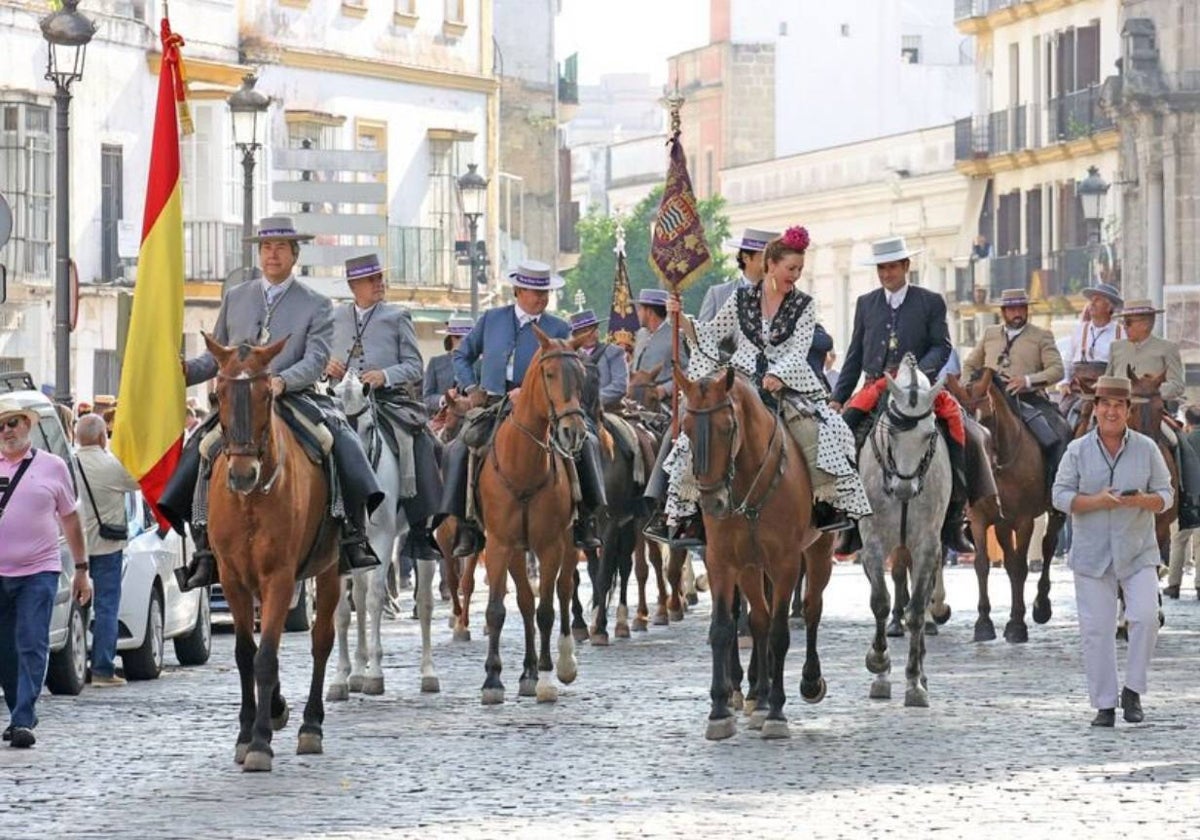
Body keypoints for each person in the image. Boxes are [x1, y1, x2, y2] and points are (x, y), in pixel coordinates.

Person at [160, 216, 383, 591]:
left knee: (337, 441)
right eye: (266, 248)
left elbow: (315, 358)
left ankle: (351, 534)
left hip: (293, 397)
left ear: (294, 255)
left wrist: (283, 380)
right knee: (201, 446)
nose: (272, 254)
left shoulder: (316, 303)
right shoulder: (236, 296)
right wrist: (180, 371)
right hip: (242, 402)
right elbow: (219, 356)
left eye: (281, 247)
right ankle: (202, 545)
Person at [656, 226, 871, 543]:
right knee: (700, 429)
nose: (795, 276)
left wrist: (778, 374)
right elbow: (712, 334)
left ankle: (827, 505)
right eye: (791, 269)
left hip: (785, 386)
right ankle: (685, 512)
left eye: (799, 269)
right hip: (739, 383)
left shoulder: (804, 305)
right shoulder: (741, 298)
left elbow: (799, 351)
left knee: (825, 427)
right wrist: (682, 320)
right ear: (770, 265)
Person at [438, 260, 605, 557]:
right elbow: (462, 356)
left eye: (545, 292)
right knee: (458, 449)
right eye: (533, 291)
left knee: (586, 443)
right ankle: (465, 524)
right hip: (492, 406)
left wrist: (532, 394)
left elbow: (572, 371)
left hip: (543, 412)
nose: (541, 298)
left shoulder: (558, 328)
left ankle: (586, 520)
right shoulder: (491, 319)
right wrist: (473, 388)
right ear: (517, 290)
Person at [834, 235, 974, 554]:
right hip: (875, 389)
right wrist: (839, 396)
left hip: (919, 390)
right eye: (881, 268)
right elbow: (855, 353)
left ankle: (954, 519)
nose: (886, 274)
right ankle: (849, 521)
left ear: (906, 266)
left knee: (966, 433)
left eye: (892, 267)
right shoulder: (866, 303)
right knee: (841, 436)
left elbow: (943, 345)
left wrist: (916, 375)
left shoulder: (930, 301)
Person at [1052, 375, 1172, 727]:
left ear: (1128, 410)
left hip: (1138, 550)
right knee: (1097, 630)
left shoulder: (1147, 448)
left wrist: (1143, 501)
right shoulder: (1077, 450)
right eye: (1105, 404)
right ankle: (1104, 704)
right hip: (1092, 554)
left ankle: (1133, 689)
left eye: (1119, 405)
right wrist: (1095, 502)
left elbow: (1166, 496)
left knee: (1146, 617)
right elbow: (1059, 496)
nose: (1111, 411)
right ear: (1096, 408)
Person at [326, 254, 440, 561]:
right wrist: (327, 367)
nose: (379, 284)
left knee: (419, 441)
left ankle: (419, 525)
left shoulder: (397, 315)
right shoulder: (333, 317)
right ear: (353, 285)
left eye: (380, 278)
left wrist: (385, 375)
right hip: (340, 401)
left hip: (387, 401)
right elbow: (317, 358)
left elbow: (415, 366)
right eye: (371, 279)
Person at [0, 399, 90, 748]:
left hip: (39, 570)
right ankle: (17, 708)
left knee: (32, 641)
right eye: (1, 425)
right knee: (5, 649)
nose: (7, 431)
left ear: (29, 425)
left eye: (14, 423)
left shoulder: (53, 467)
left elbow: (70, 519)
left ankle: (23, 717)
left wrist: (82, 569)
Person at [962, 288, 1071, 493]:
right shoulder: (990, 334)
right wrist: (971, 388)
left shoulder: (1042, 336)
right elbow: (969, 365)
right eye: (1012, 309)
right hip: (989, 400)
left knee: (1060, 432)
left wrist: (1028, 380)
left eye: (1021, 308)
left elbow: (1057, 369)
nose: (1017, 313)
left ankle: (1055, 494)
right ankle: (962, 502)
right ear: (1003, 312)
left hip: (1029, 400)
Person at [1105, 299, 1200, 528]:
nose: (1124, 327)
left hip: (1152, 411)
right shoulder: (1116, 348)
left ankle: (1188, 500)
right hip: (1116, 412)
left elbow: (1177, 384)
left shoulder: (1167, 348)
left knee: (1178, 442)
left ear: (1146, 323)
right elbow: (1108, 378)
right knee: (1082, 436)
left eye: (1128, 322)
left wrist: (1151, 391)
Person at [74, 413, 140, 688]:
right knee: (106, 608)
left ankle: (74, 666)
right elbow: (139, 483)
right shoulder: (111, 465)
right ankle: (102, 669)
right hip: (107, 547)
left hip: (75, 548)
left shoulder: (69, 464)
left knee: (75, 609)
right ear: (103, 437)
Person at [698, 227, 778, 323]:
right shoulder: (718, 295)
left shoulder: (784, 295)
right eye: (766, 257)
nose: (772, 263)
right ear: (746, 258)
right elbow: (701, 333)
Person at [1058, 282, 1124, 394]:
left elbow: (1124, 367)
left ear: (1109, 307)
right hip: (1079, 391)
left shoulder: (1121, 333)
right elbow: (1067, 361)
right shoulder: (1079, 330)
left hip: (1109, 392)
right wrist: (1064, 382)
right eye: (1091, 300)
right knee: (1062, 411)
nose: (1092, 304)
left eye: (1097, 300)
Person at [1165, 405, 1200, 599]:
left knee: (1178, 542)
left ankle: (1174, 584)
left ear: (1188, 422)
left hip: (1186, 499)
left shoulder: (1183, 441)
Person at [631, 288, 685, 401]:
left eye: (640, 309)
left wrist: (666, 389)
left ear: (650, 312)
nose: (638, 313)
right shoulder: (641, 334)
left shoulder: (675, 335)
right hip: (636, 398)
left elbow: (689, 371)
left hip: (664, 402)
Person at [570, 309, 628, 412]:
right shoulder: (570, 358)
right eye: (584, 332)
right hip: (577, 413)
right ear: (575, 336)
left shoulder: (613, 352)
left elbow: (620, 386)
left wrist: (592, 401)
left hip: (608, 411)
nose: (589, 335)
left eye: (592, 330)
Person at [424, 316, 473, 415]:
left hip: (471, 420)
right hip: (441, 419)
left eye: (467, 337)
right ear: (450, 338)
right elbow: (426, 398)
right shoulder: (436, 363)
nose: (462, 341)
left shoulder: (480, 365)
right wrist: (444, 399)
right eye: (457, 337)